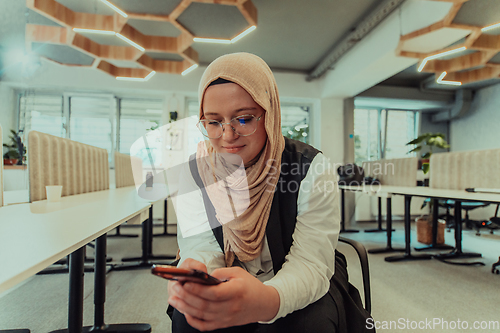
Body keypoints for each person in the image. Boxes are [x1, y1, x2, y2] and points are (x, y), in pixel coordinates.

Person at [167, 52, 343, 332]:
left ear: (269, 114)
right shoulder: (193, 172)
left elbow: (309, 263)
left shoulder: (311, 168)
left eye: (244, 119)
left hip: (296, 277)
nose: (227, 135)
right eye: (213, 122)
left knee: (308, 325)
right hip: (226, 278)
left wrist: (268, 299)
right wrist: (201, 273)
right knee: (189, 320)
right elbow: (201, 246)